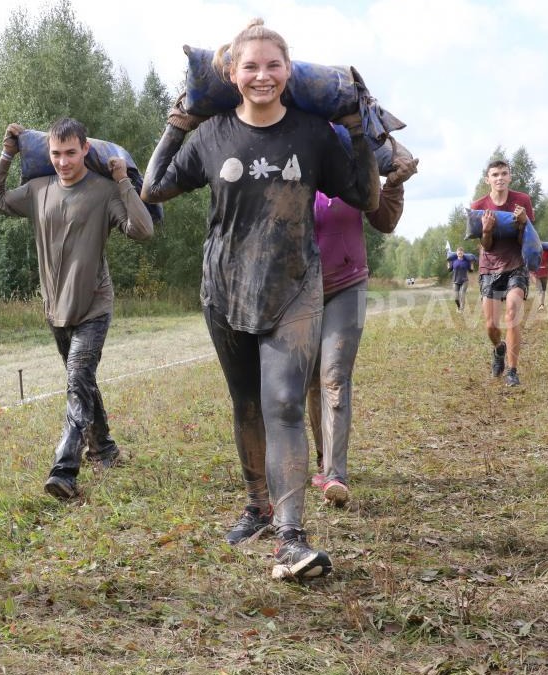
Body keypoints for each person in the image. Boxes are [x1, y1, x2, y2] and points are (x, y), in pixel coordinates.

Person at [141, 18, 379, 581]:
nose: (262, 76)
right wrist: (177, 125)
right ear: (232, 73)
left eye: (273, 65)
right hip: (224, 290)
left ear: (288, 71)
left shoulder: (313, 134)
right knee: (246, 402)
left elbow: (366, 195)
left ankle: (291, 538)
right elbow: (153, 188)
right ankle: (258, 505)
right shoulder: (213, 134)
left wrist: (358, 128)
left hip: (294, 287)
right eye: (250, 66)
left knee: (285, 405)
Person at [0, 117, 154, 502]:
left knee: (77, 379)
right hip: (54, 307)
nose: (63, 161)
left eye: (71, 153)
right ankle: (104, 447)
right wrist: (7, 155)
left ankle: (64, 470)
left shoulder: (105, 191)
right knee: (84, 381)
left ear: (85, 150)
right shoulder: (38, 189)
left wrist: (124, 180)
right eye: (56, 154)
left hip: (94, 303)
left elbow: (143, 231)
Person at [310, 154, 417, 509]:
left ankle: (336, 474)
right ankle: (323, 459)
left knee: (335, 374)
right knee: (310, 379)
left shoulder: (356, 157)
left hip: (347, 284)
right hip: (297, 288)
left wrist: (395, 183)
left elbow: (384, 220)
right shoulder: (290, 150)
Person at [473, 159, 534, 387]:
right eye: (495, 174)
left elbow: (526, 241)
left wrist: (522, 224)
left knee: (512, 314)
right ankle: (499, 349)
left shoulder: (522, 201)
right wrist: (486, 229)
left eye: (504, 174)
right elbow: (485, 246)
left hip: (516, 265)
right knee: (491, 326)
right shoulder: (479, 205)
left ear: (510, 177)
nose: (500, 178)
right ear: (487, 179)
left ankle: (512, 371)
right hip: (489, 268)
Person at [448, 245, 474, 311]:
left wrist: (471, 263)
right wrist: (448, 262)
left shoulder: (466, 261)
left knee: (462, 294)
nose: (460, 253)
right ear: (456, 253)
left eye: (461, 252)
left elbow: (471, 270)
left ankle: (462, 309)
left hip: (464, 280)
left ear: (463, 253)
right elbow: (449, 270)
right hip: (455, 281)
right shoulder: (453, 261)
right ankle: (459, 307)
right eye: (459, 252)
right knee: (456, 298)